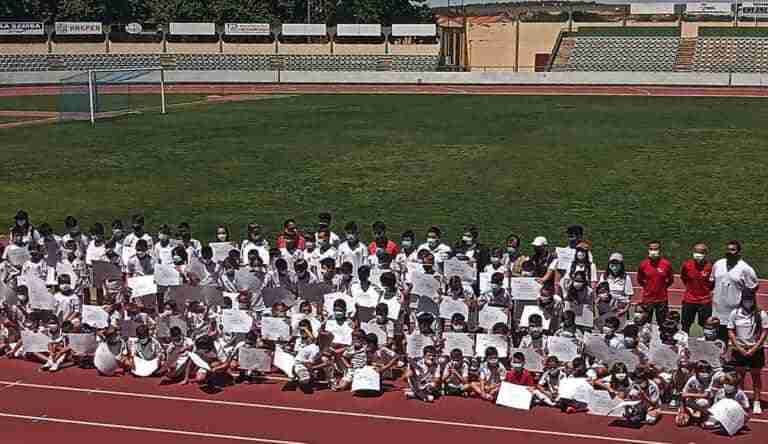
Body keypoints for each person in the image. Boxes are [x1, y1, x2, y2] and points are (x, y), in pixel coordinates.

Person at [727, 288, 766, 414]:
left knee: (755, 376)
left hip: (756, 350)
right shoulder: (735, 313)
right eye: (745, 299)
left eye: (749, 299)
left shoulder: (761, 314)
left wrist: (754, 348)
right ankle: (741, 400)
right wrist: (739, 347)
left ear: (753, 299)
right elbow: (731, 331)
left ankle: (756, 402)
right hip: (739, 350)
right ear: (742, 299)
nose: (747, 302)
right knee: (739, 377)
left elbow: (764, 333)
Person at [711, 240, 759, 340]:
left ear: (739, 252)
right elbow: (712, 282)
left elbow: (753, 287)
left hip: (735, 312)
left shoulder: (745, 269)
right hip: (718, 311)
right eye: (728, 249)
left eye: (733, 250)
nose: (729, 252)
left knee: (736, 342)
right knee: (718, 342)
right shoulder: (718, 264)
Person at [636, 240, 674, 325]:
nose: (653, 251)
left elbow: (671, 280)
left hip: (662, 300)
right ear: (648, 250)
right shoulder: (643, 264)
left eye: (655, 249)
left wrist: (662, 288)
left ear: (660, 250)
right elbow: (639, 279)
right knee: (645, 323)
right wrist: (647, 288)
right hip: (647, 299)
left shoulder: (666, 264)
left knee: (662, 323)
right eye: (651, 249)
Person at [680, 243, 715, 334]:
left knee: (707, 326)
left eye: (701, 252)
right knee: (685, 325)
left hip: (705, 301)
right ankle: (684, 345)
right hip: (689, 300)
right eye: (696, 251)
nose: (698, 254)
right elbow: (684, 278)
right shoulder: (686, 265)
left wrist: (705, 291)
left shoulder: (710, 267)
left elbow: (712, 283)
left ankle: (706, 344)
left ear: (706, 254)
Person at [676, 361, 716, 427]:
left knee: (703, 402)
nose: (705, 374)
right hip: (692, 402)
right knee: (680, 421)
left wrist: (688, 394)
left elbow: (706, 395)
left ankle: (704, 415)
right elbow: (683, 395)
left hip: (706, 402)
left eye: (707, 371)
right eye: (702, 371)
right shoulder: (692, 380)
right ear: (696, 372)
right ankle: (694, 414)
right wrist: (682, 411)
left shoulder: (710, 380)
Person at [598, 253, 633, 320]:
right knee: (606, 328)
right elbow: (599, 292)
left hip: (620, 308)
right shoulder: (604, 276)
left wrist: (625, 310)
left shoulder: (626, 278)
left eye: (617, 264)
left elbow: (629, 297)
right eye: (612, 263)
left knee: (619, 328)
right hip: (606, 307)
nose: (614, 266)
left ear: (621, 265)